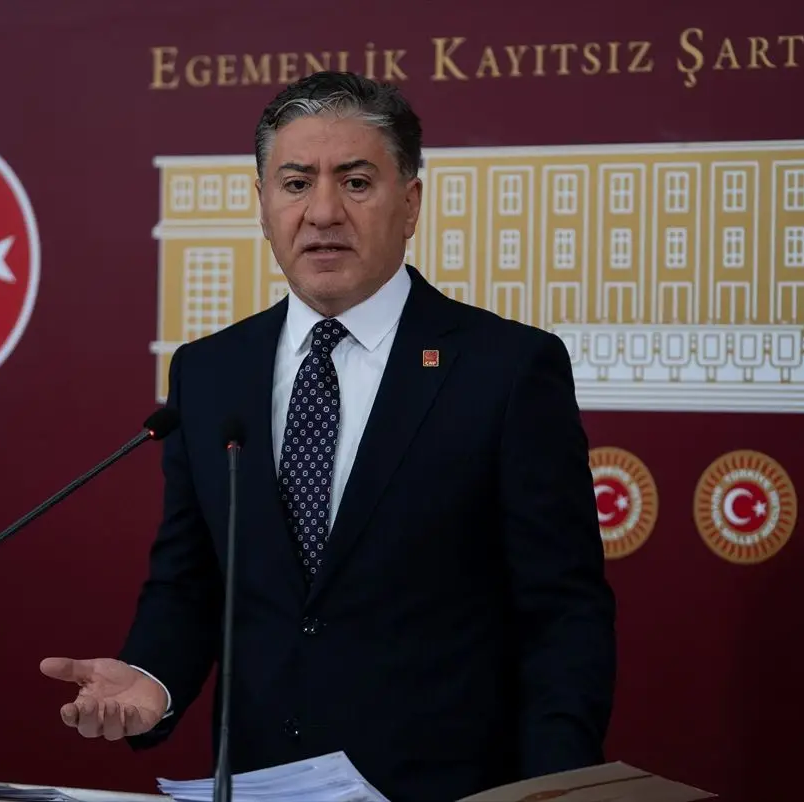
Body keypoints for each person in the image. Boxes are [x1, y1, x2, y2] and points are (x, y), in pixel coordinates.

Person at [40, 71, 616, 802]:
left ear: (410, 203)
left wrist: (553, 789)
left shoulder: (505, 369)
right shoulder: (209, 372)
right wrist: (152, 678)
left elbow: (563, 613)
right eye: (295, 183)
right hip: (257, 785)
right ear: (262, 205)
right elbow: (192, 580)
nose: (322, 212)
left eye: (356, 182)